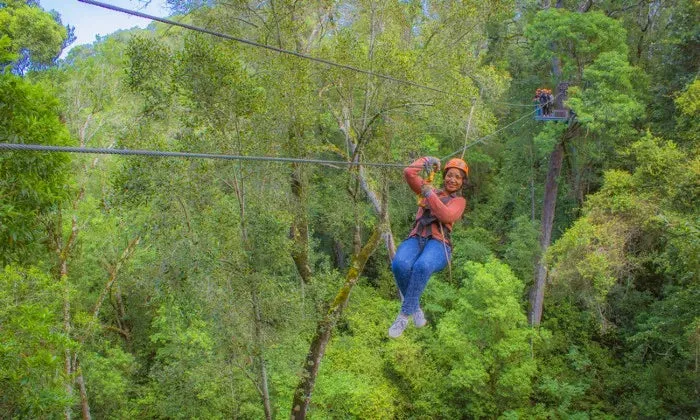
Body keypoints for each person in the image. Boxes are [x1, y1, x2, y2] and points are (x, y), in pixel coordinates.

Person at [388, 156, 468, 338]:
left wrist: (428, 194)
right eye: (450, 175)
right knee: (399, 264)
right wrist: (427, 160)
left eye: (458, 177)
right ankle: (415, 308)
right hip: (417, 237)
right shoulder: (429, 189)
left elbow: (446, 215)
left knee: (422, 266)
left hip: (439, 244)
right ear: (444, 176)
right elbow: (409, 172)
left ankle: (404, 315)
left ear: (462, 182)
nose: (452, 180)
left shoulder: (459, 202)